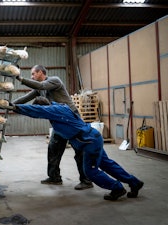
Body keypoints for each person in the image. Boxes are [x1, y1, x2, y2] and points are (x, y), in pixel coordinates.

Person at [12, 97, 144, 201]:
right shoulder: (58, 108)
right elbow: (42, 110)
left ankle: (117, 188)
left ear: (44, 107)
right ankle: (134, 182)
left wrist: (15, 107)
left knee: (90, 172)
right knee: (106, 164)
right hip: (92, 138)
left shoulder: (54, 110)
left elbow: (37, 111)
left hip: (90, 142)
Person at [13, 65, 93, 190]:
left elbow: (40, 86)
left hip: (71, 119)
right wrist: (10, 105)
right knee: (53, 149)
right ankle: (54, 177)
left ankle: (86, 180)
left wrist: (21, 79)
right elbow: (26, 98)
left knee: (79, 150)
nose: (32, 77)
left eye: (33, 74)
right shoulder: (40, 89)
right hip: (58, 121)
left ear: (40, 72)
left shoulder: (54, 80)